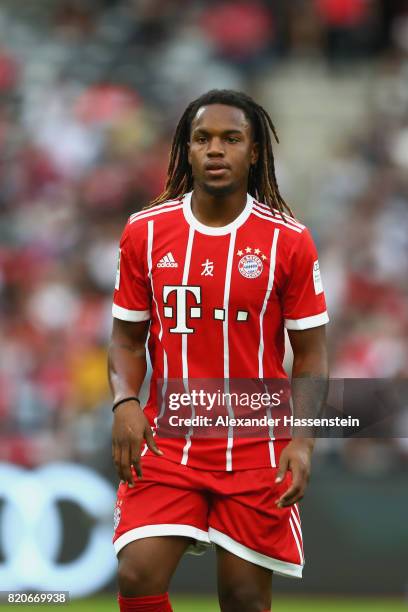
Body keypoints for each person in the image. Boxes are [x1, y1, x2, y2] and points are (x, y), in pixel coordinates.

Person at [108, 89, 329, 612]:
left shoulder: (288, 241)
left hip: (257, 447)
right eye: (202, 138)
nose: (215, 150)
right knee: (137, 571)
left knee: (244, 597)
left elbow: (313, 356)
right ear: (185, 149)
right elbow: (124, 339)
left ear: (254, 152)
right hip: (169, 442)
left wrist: (303, 442)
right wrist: (124, 400)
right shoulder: (145, 231)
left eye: (231, 139)